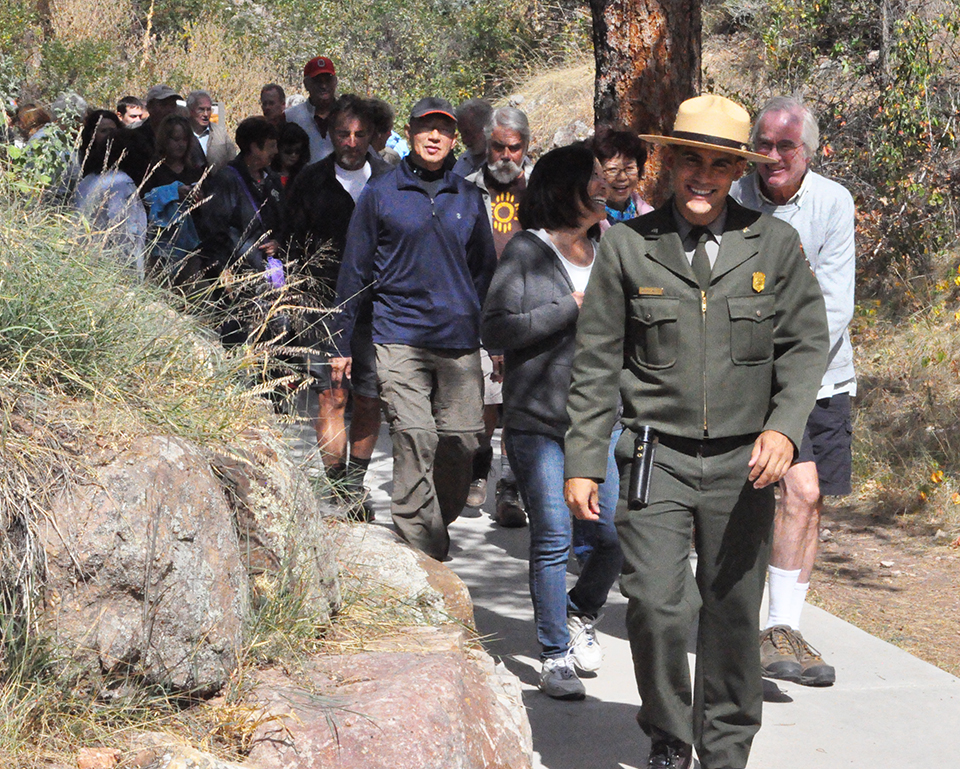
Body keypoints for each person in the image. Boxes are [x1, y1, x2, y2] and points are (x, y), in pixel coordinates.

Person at [563, 94, 829, 769]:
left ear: (738, 171)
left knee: (734, 611)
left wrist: (785, 429)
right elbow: (597, 363)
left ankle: (726, 747)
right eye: (691, 160)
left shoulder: (773, 245)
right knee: (655, 603)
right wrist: (584, 458)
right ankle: (669, 732)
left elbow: (803, 349)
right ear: (670, 161)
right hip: (656, 452)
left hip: (747, 459)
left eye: (719, 164)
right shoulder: (628, 248)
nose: (703, 176)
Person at [482, 142, 623, 699]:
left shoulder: (611, 245)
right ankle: (554, 654)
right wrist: (571, 306)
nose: (602, 183)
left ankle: (579, 610)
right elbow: (495, 329)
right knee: (553, 537)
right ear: (563, 187)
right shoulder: (526, 250)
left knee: (611, 538)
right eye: (590, 176)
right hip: (538, 424)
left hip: (601, 421)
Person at [330, 97, 497, 560]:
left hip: (458, 340)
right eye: (425, 128)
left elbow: (484, 272)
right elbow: (354, 270)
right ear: (411, 131)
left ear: (454, 139)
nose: (434, 137)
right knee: (414, 434)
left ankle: (432, 528)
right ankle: (419, 550)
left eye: (443, 130)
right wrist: (339, 340)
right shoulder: (381, 193)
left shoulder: (467, 197)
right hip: (397, 334)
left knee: (462, 440)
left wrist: (494, 340)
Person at [732, 96, 856, 688]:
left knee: (806, 498)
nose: (773, 156)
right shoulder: (734, 198)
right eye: (765, 144)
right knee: (778, 492)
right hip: (745, 375)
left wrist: (788, 367)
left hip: (822, 375)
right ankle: (744, 625)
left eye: (787, 145)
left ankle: (780, 629)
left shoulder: (832, 202)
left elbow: (834, 304)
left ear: (808, 151)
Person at [285, 95, 391, 520]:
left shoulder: (389, 181)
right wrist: (288, 296)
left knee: (368, 398)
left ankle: (355, 482)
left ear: (373, 135)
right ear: (330, 135)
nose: (351, 142)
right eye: (343, 134)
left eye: (360, 134)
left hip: (377, 308)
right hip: (322, 307)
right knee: (331, 398)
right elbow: (288, 246)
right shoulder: (308, 183)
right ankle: (339, 486)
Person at [463, 106, 534, 526]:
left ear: (526, 147)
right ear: (486, 146)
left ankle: (510, 489)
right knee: (487, 399)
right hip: (479, 305)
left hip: (529, 305)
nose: (506, 156)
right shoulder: (466, 188)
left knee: (519, 402)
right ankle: (478, 467)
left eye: (515, 148)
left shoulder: (542, 189)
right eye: (498, 147)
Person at [195, 117, 284, 346]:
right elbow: (214, 229)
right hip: (239, 279)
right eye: (271, 144)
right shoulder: (227, 179)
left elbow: (284, 221)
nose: (276, 151)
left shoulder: (272, 179)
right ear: (254, 147)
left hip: (269, 276)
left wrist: (278, 241)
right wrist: (225, 273)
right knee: (240, 339)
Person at [73, 125, 147, 278]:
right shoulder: (121, 184)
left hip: (83, 263)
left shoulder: (88, 180)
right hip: (113, 271)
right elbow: (125, 234)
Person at [142, 114, 205, 278]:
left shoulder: (196, 170)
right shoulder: (154, 169)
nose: (180, 145)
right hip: (162, 246)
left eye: (184, 139)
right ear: (165, 140)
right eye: (175, 139)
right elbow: (144, 199)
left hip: (192, 245)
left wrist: (198, 197)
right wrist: (172, 193)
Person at [590, 126, 654, 231]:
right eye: (612, 170)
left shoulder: (650, 216)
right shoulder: (588, 225)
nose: (622, 178)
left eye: (629, 168)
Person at [125, 84, 184, 186]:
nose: (170, 110)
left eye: (173, 105)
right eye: (164, 105)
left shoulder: (185, 136)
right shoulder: (135, 139)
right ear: (150, 107)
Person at [285, 56, 338, 163]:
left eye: (327, 80)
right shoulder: (290, 117)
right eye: (317, 81)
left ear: (335, 82)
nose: (323, 86)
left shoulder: (348, 115)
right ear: (306, 84)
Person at [186, 90, 237, 174]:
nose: (206, 114)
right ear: (191, 111)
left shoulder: (220, 134)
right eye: (201, 109)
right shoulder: (181, 133)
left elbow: (232, 164)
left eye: (208, 109)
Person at [451, 98, 492, 178]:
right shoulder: (463, 161)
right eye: (461, 133)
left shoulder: (505, 162)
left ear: (488, 128)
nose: (464, 140)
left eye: (469, 133)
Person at [271, 121, 310, 190]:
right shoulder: (267, 173)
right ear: (278, 148)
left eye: (298, 151)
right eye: (289, 151)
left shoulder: (305, 175)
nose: (293, 155)